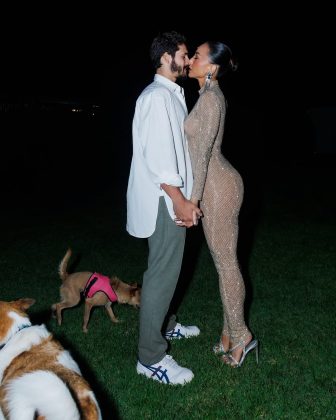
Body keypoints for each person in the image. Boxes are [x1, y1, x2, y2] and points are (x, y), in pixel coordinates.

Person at [126, 31, 203, 385]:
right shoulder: (158, 98)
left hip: (169, 197)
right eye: (184, 55)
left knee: (168, 271)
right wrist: (181, 200)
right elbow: (160, 158)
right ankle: (150, 357)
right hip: (164, 200)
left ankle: (165, 326)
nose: (188, 61)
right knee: (161, 274)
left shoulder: (170, 95)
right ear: (165, 57)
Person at [184, 41, 258, 367]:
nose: (190, 59)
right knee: (223, 264)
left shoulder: (212, 99)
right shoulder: (206, 96)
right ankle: (228, 334)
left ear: (211, 67)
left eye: (197, 56)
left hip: (218, 188)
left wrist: (193, 199)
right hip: (217, 183)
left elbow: (201, 155)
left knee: (227, 264)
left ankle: (242, 336)